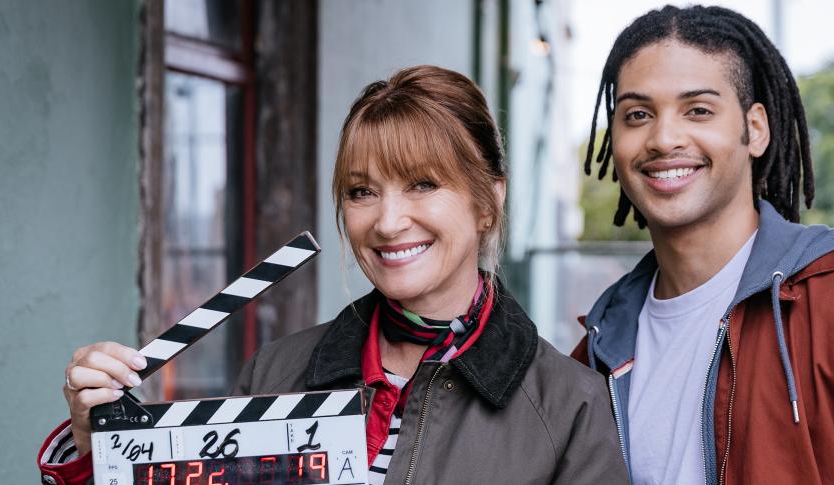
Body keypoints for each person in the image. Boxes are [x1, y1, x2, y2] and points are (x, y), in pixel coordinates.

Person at [39, 65, 629, 485]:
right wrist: (105, 450)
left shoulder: (568, 407)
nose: (388, 221)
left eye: (423, 183)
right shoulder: (275, 372)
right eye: (361, 192)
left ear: (487, 201)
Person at [571, 5, 834, 484]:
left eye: (699, 110)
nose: (664, 138)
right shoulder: (599, 347)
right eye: (638, 114)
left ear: (756, 129)